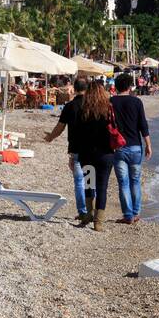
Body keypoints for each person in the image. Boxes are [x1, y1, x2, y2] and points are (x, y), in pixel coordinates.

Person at [73, 80, 118, 232]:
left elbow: (76, 133)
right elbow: (115, 128)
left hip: (87, 154)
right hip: (105, 154)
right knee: (102, 187)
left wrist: (74, 153)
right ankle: (98, 222)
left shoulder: (83, 109)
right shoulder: (108, 108)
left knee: (89, 184)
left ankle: (88, 214)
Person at [44, 78, 90, 224]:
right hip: (92, 149)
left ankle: (83, 212)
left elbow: (60, 126)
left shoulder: (70, 106)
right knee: (90, 181)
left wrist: (51, 137)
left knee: (79, 181)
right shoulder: (93, 105)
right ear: (87, 88)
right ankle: (91, 211)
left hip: (75, 148)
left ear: (74, 89)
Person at [110, 73, 151, 225]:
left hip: (118, 147)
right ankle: (136, 213)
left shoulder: (111, 102)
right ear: (129, 87)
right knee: (135, 181)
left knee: (124, 183)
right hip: (135, 147)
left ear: (116, 86)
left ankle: (128, 215)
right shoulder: (136, 102)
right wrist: (148, 145)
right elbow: (143, 125)